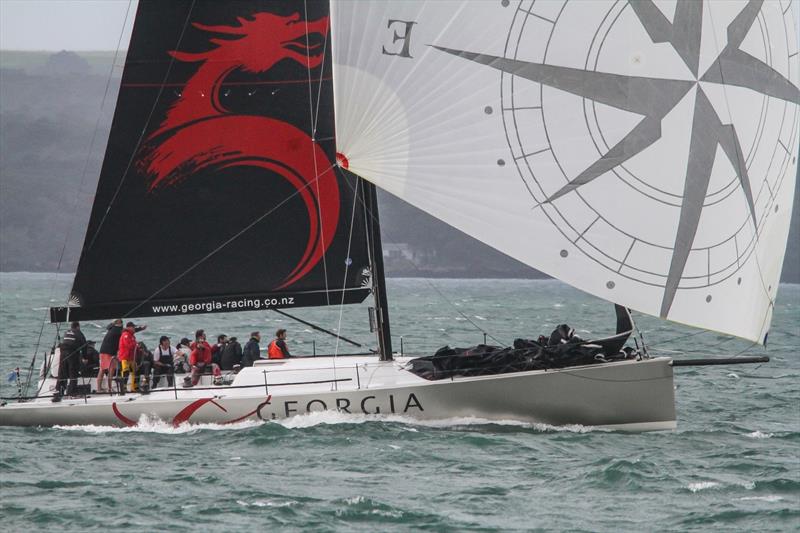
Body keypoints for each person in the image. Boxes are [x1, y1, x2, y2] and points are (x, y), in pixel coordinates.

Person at [98, 319, 145, 393]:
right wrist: (140, 329)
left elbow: (130, 330)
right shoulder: (120, 331)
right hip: (108, 352)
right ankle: (108, 388)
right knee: (108, 369)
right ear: (117, 323)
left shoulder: (113, 328)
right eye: (120, 321)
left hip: (109, 351)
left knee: (106, 369)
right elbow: (128, 335)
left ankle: (103, 388)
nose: (122, 322)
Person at [57, 321, 86, 397]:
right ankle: (72, 392)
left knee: (62, 372)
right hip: (72, 353)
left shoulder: (67, 332)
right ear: (78, 327)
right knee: (73, 372)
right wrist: (84, 357)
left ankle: (59, 391)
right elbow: (84, 346)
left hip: (63, 353)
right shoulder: (78, 332)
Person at [117, 322, 143, 393]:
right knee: (125, 372)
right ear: (129, 327)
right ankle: (124, 388)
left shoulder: (132, 336)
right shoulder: (125, 335)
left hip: (131, 358)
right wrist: (136, 345)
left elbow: (133, 346)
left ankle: (134, 387)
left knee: (134, 372)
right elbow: (128, 345)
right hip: (124, 357)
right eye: (133, 327)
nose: (134, 328)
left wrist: (139, 349)